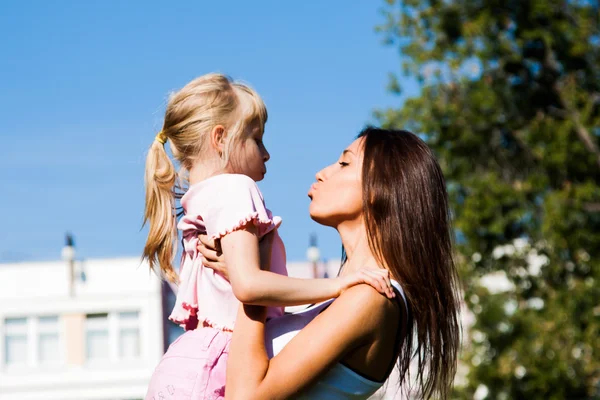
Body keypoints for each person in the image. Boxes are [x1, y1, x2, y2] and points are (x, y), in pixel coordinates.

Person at [142, 74, 394, 400]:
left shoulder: (201, 199)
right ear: (220, 139)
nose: (266, 153)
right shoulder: (237, 189)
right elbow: (249, 286)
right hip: (215, 364)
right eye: (257, 139)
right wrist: (339, 285)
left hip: (187, 362)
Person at [199, 127, 461, 399]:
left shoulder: (372, 298)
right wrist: (244, 273)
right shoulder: (347, 296)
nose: (322, 172)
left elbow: (246, 396)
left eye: (344, 163)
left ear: (380, 189)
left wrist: (252, 284)